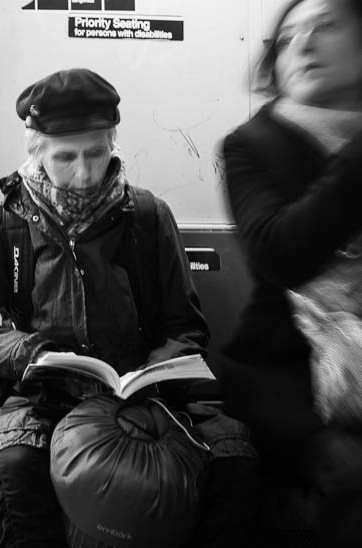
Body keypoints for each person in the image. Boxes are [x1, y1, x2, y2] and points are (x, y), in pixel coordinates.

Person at [0, 68, 209, 547]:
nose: (83, 174)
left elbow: (185, 325)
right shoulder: (7, 223)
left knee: (231, 457)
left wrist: (153, 374)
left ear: (113, 146)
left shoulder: (148, 216)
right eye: (66, 157)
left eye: (96, 154)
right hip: (43, 401)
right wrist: (26, 352)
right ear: (36, 152)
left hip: (141, 399)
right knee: (19, 467)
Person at [221, 0, 362, 545]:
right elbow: (281, 253)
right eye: (287, 38)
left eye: (326, 27)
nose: (303, 46)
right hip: (291, 393)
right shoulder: (252, 146)